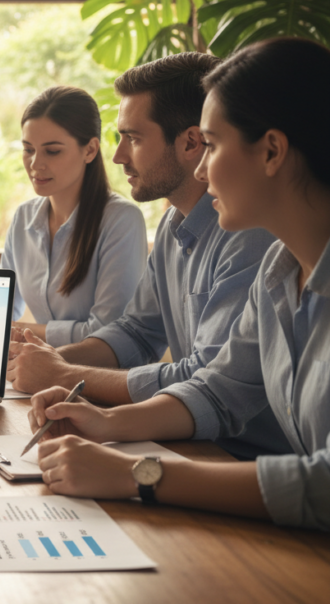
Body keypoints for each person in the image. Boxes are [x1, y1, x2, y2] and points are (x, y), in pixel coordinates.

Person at [29, 37, 330, 530]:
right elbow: (220, 389)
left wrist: (136, 474)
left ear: (272, 151)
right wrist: (104, 422)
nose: (203, 169)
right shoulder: (280, 268)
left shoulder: (259, 249)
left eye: (212, 146)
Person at [6, 52, 288, 460]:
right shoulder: (174, 225)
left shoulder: (251, 236)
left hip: (242, 456)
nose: (118, 156)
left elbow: (204, 379)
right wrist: (48, 364)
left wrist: (64, 374)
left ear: (191, 143)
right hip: (187, 441)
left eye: (133, 139)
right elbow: (137, 331)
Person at [1, 86, 147, 347]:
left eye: (52, 151)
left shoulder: (121, 220)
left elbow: (107, 332)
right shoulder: (23, 218)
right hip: (37, 367)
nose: (35, 164)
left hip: (96, 370)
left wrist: (21, 330)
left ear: (90, 150)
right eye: (28, 149)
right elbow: (0, 313)